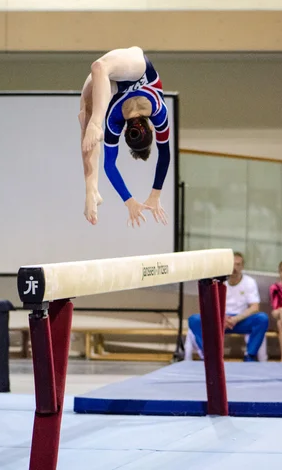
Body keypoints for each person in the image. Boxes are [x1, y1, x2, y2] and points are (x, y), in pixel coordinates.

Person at [79, 46, 170, 227]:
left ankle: (92, 189)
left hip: (112, 84)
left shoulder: (157, 116)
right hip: (139, 74)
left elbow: (164, 155)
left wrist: (154, 194)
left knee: (87, 112)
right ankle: (90, 187)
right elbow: (109, 165)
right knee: (98, 70)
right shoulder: (116, 121)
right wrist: (130, 200)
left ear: (150, 128)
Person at [187, 252, 269, 362]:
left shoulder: (249, 282)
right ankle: (210, 355)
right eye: (232, 264)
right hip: (219, 320)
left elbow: (254, 307)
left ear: (242, 266)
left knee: (262, 319)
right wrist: (221, 318)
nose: (234, 268)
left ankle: (250, 355)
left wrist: (235, 319)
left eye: (238, 264)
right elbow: (209, 306)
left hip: (240, 320)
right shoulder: (217, 282)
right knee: (194, 320)